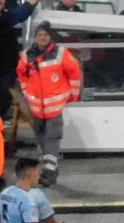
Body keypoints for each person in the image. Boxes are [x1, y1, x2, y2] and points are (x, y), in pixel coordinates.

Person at [15, 21, 82, 187]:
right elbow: (21, 74)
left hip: (55, 108)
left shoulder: (61, 53)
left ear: (50, 37)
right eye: (39, 35)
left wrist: (73, 95)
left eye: (45, 35)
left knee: (52, 139)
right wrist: (26, 92)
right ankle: (50, 168)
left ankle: (49, 173)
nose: (42, 38)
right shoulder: (27, 55)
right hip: (37, 109)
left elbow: (75, 73)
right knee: (42, 141)